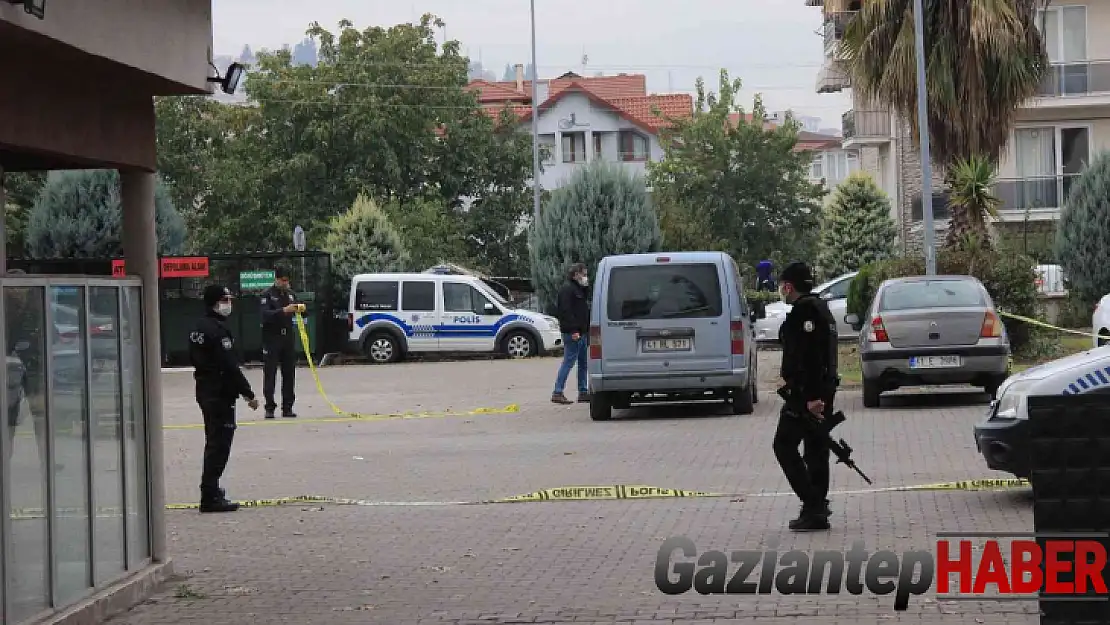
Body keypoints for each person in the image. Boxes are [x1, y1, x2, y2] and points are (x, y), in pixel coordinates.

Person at [772, 261, 839, 532]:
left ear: (789, 285)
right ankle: (816, 509)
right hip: (821, 391)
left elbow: (810, 358)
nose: (781, 291)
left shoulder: (805, 313)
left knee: (784, 446)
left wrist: (811, 397)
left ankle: (813, 504)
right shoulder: (821, 308)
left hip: (806, 395)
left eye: (782, 286)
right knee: (815, 449)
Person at [189, 285, 259, 513]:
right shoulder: (217, 331)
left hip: (205, 390)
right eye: (225, 299)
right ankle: (209, 495)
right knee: (219, 444)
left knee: (214, 441)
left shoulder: (199, 326)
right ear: (214, 302)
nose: (229, 303)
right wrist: (248, 393)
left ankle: (212, 489)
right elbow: (229, 366)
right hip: (219, 393)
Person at [4, 268, 61, 471]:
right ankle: (5, 460)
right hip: (9, 368)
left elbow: (52, 333)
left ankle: (47, 460)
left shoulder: (36, 308)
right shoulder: (6, 309)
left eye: (20, 289)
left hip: (34, 365)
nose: (17, 293)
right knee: (8, 416)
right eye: (13, 289)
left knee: (41, 415)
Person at [259, 266, 305, 419]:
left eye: (287, 280)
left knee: (289, 373)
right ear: (277, 279)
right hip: (272, 338)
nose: (285, 283)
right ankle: (270, 407)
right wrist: (284, 310)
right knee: (270, 373)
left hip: (288, 338)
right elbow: (265, 314)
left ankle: (288, 407)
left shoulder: (291, 295)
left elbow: (302, 309)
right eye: (283, 280)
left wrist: (301, 308)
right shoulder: (267, 295)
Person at [552, 262, 591, 405]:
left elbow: (582, 306)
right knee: (569, 361)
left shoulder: (578, 289)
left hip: (582, 332)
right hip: (573, 332)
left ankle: (583, 391)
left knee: (583, 363)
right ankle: (557, 392)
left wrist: (586, 287)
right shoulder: (567, 290)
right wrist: (574, 330)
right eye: (584, 274)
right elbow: (566, 312)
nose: (586, 277)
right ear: (576, 275)